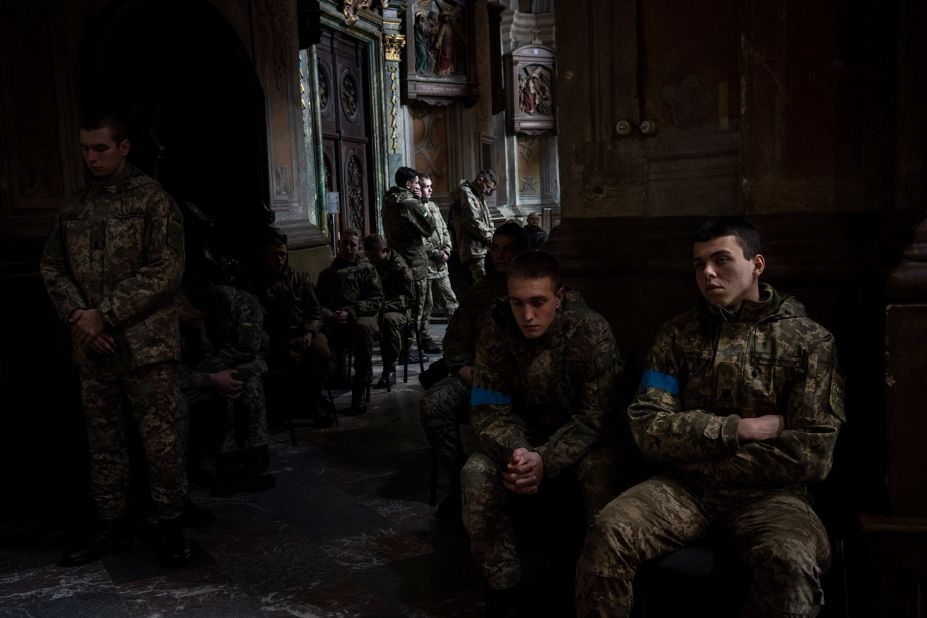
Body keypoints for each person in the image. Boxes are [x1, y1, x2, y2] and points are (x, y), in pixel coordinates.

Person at [575, 216, 845, 617]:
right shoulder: (676, 336)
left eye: (721, 260)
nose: (708, 273)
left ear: (757, 264)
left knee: (789, 562)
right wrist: (739, 429)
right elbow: (648, 428)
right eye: (699, 264)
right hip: (684, 489)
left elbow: (812, 453)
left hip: (772, 496)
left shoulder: (808, 342)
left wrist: (697, 453)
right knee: (608, 531)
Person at [40, 112, 190, 567]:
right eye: (85, 149)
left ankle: (171, 525)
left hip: (145, 348)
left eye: (100, 148)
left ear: (123, 148)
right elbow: (52, 266)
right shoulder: (74, 206)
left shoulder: (153, 201)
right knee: (103, 441)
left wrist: (103, 316)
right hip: (92, 347)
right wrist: (79, 318)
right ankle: (111, 523)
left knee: (159, 440)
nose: (91, 157)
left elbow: (165, 271)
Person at [461, 251, 630, 616]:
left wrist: (546, 458)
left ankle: (596, 590)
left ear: (560, 296)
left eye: (538, 302)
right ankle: (506, 593)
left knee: (604, 474)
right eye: (517, 303)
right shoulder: (496, 329)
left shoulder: (590, 330)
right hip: (521, 445)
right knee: (475, 473)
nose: (527, 315)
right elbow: (488, 409)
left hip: (584, 445)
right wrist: (520, 453)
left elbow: (599, 416)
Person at [420, 222, 528, 521]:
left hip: (521, 381)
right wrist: (461, 365)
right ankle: (458, 482)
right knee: (434, 404)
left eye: (509, 249)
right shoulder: (480, 292)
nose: (500, 256)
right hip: (476, 376)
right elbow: (455, 336)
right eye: (495, 248)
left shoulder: (533, 289)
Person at [177, 277, 274, 495]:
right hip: (205, 369)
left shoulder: (242, 304)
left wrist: (216, 372)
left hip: (245, 360)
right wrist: (212, 376)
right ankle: (225, 459)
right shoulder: (181, 315)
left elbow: (247, 349)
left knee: (244, 379)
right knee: (221, 386)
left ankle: (258, 451)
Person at [253, 230, 334, 428]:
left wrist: (309, 332)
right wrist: (285, 341)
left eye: (282, 254)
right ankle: (294, 403)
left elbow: (316, 311)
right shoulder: (258, 284)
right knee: (291, 360)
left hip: (305, 331)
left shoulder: (299, 278)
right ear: (265, 255)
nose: (279, 259)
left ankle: (313, 400)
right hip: (278, 338)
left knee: (321, 351)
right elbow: (259, 321)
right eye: (274, 254)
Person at [316, 229, 383, 415]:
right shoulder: (328, 274)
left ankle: (360, 391)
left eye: (352, 245)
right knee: (317, 340)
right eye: (345, 243)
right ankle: (318, 395)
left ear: (358, 247)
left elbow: (376, 299)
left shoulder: (367, 270)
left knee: (362, 329)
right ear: (339, 245)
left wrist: (351, 311)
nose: (348, 248)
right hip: (335, 319)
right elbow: (317, 303)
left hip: (361, 316)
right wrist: (330, 314)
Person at [382, 166, 437, 361]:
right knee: (415, 308)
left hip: (396, 263)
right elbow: (430, 226)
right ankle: (408, 350)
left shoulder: (388, 200)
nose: (419, 187)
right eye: (416, 184)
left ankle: (401, 348)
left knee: (401, 307)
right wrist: (421, 200)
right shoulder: (409, 203)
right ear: (408, 184)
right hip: (414, 264)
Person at [363, 234, 413, 389]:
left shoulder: (399, 268)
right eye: (368, 256)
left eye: (373, 255)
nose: (370, 259)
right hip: (376, 306)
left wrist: (383, 306)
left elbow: (408, 298)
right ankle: (364, 372)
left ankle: (389, 369)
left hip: (398, 309)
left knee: (388, 321)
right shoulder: (370, 265)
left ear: (384, 251)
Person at [420, 173, 458, 332]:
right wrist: (437, 253)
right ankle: (424, 336)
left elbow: (444, 229)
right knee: (426, 305)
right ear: (417, 188)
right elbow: (421, 240)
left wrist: (447, 249)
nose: (430, 190)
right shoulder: (415, 208)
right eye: (426, 187)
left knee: (450, 300)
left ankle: (457, 331)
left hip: (441, 266)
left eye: (430, 186)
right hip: (427, 266)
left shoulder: (434, 206)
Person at [449, 169, 496, 285]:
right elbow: (472, 221)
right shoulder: (465, 193)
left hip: (483, 245)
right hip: (473, 248)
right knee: (480, 284)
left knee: (486, 282)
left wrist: (493, 235)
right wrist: (490, 238)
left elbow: (488, 218)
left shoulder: (478, 195)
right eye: (488, 187)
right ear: (480, 180)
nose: (488, 191)